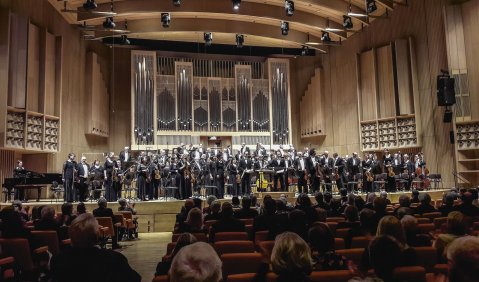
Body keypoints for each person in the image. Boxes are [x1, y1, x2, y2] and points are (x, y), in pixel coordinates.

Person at [49, 213, 141, 282]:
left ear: (71, 236)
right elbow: (134, 279)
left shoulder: (58, 260)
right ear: (97, 235)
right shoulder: (114, 259)